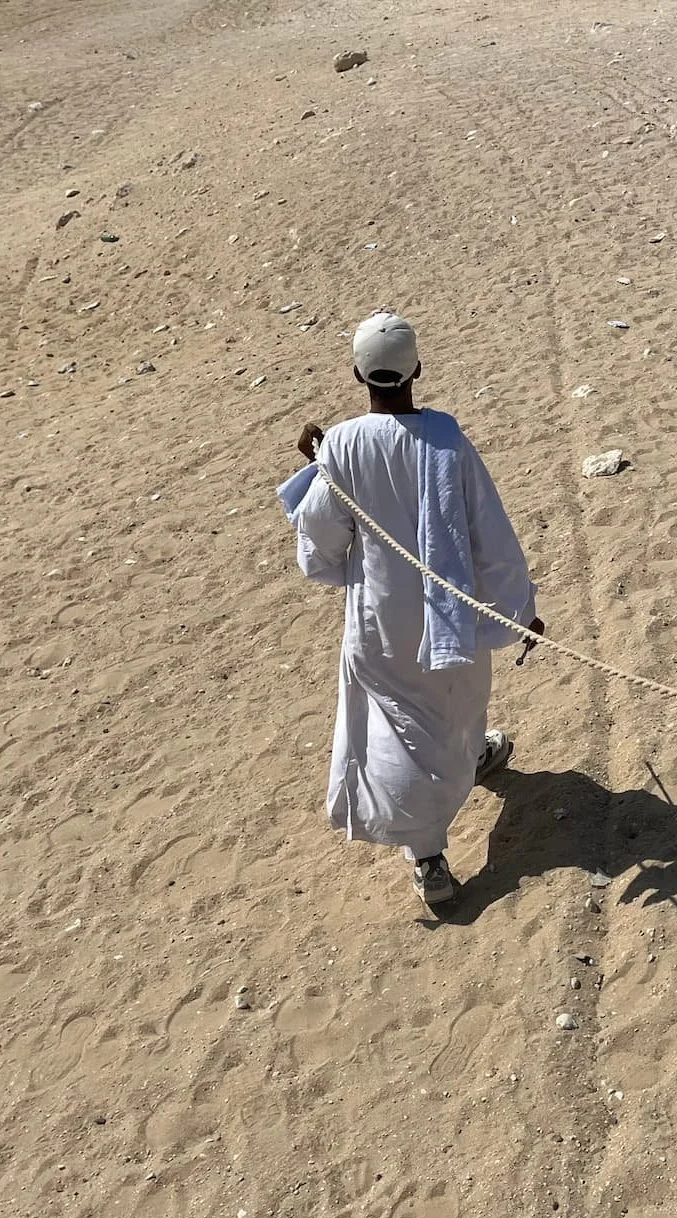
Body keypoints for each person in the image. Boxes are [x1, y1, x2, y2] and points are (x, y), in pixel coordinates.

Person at [278, 312, 543, 911]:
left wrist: (324, 464)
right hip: (450, 616)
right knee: (457, 694)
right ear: (418, 370)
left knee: (400, 725)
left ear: (357, 374)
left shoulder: (341, 443)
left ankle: (432, 850)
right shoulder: (447, 438)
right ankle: (438, 825)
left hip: (380, 620)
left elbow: (320, 540)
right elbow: (491, 537)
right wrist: (516, 611)